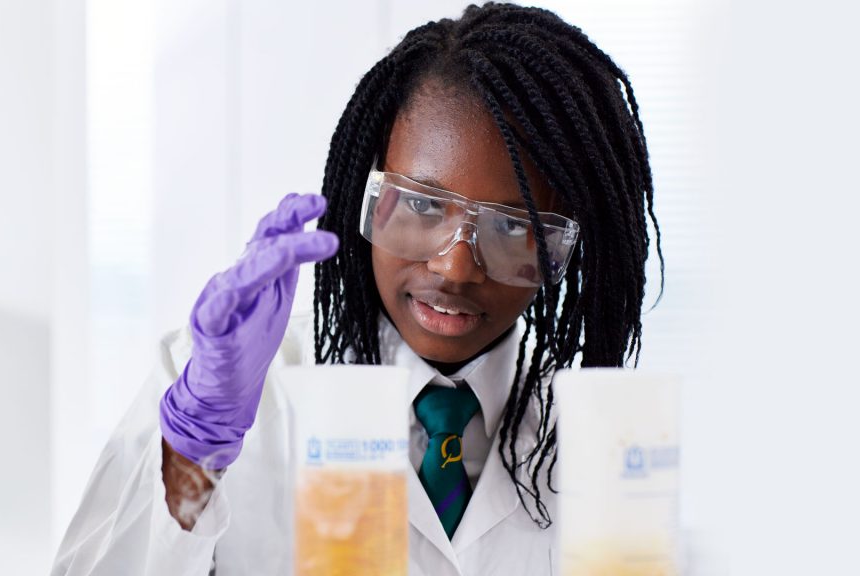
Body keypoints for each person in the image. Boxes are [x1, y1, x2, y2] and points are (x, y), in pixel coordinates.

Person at [51, 3, 662, 575]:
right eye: (423, 203)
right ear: (365, 191)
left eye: (511, 226)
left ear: (566, 247)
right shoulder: (224, 389)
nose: (454, 269)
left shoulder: (604, 444)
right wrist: (195, 451)